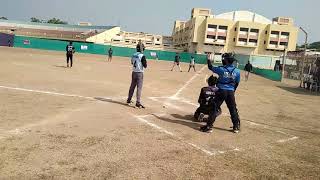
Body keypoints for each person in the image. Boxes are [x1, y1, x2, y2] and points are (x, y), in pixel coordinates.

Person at [200, 53, 241, 133]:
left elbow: (210, 67)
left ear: (225, 61)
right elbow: (236, 83)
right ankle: (236, 127)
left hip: (221, 91)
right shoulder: (237, 71)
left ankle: (209, 126)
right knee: (233, 109)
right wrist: (232, 90)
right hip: (231, 92)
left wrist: (208, 59)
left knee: (214, 108)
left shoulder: (221, 69)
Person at [127, 42, 147, 109]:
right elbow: (145, 66)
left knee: (132, 86)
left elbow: (132, 62)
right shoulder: (142, 55)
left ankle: (129, 100)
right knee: (139, 88)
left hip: (134, 72)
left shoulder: (133, 55)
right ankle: (138, 103)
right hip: (139, 73)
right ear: (142, 49)